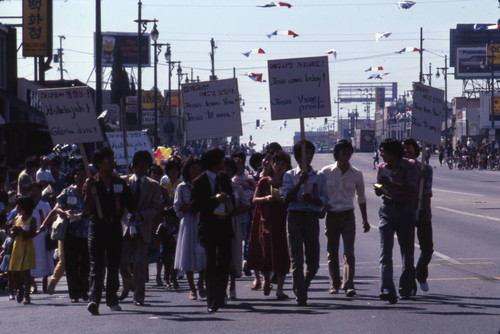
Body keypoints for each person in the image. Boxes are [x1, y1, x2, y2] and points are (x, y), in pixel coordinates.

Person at [84, 147, 135, 315]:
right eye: (108, 160)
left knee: (113, 265)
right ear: (99, 163)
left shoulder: (119, 182)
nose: (112, 162)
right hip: (97, 226)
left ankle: (112, 298)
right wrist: (88, 192)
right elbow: (88, 209)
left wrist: (135, 212)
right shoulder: (92, 183)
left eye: (112, 159)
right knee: (96, 266)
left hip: (114, 227)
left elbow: (130, 204)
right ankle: (94, 299)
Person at [281, 140, 328, 306]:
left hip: (311, 218)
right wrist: (300, 183)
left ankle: (304, 282)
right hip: (294, 217)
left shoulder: (319, 175)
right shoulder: (289, 175)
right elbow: (286, 198)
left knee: (313, 261)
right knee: (297, 259)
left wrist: (314, 200)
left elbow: (324, 198)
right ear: (297, 156)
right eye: (304, 153)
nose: (308, 157)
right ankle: (301, 294)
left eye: (310, 153)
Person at [320, 140, 370, 297]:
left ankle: (349, 284)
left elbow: (361, 198)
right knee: (332, 251)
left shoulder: (357, 174)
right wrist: (321, 208)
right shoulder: (325, 172)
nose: (347, 154)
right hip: (332, 215)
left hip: (348, 215)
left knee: (349, 252)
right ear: (337, 153)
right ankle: (334, 283)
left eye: (349, 151)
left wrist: (365, 220)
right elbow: (320, 195)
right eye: (343, 151)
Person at [374, 138, 418, 304]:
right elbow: (381, 190)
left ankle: (405, 288)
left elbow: (412, 188)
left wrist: (392, 183)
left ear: (392, 153)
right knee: (385, 252)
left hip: (405, 209)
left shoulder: (409, 166)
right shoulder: (381, 167)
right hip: (387, 209)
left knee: (407, 252)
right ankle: (387, 289)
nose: (381, 154)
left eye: (383, 152)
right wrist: (380, 188)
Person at [191, 148, 234, 313]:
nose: (224, 162)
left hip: (224, 225)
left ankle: (220, 295)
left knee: (224, 262)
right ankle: (211, 300)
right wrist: (214, 200)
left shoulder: (224, 179)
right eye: (221, 159)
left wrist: (229, 203)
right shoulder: (199, 181)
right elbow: (196, 205)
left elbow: (232, 200)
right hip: (209, 227)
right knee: (210, 263)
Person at [119, 150, 162, 306]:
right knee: (122, 263)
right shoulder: (124, 182)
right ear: (134, 166)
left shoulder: (153, 185)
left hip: (142, 228)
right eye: (140, 164)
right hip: (126, 228)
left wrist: (142, 215)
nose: (142, 167)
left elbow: (156, 207)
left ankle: (139, 295)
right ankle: (127, 284)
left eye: (146, 164)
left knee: (139, 263)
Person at [252, 150, 291, 300]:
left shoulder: (288, 182)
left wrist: (284, 200)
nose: (280, 167)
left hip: (283, 223)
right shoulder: (264, 182)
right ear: (271, 165)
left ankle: (280, 289)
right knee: (266, 253)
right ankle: (266, 279)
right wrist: (267, 198)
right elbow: (254, 200)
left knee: (282, 256)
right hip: (266, 222)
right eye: (277, 164)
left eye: (283, 164)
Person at [403, 139, 434, 293]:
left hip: (421, 210)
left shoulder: (426, 169)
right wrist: (416, 177)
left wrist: (426, 210)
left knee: (427, 248)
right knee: (407, 249)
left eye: (409, 151)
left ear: (416, 152)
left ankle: (420, 274)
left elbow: (427, 191)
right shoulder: (399, 168)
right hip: (405, 210)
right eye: (404, 151)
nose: (407, 153)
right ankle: (409, 283)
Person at [173, 157, 206, 300]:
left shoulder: (205, 185)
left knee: (204, 253)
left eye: (198, 167)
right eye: (193, 168)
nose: (196, 170)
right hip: (188, 222)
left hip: (203, 222)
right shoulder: (182, 187)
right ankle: (192, 287)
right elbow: (177, 207)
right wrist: (190, 207)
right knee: (188, 255)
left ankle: (200, 283)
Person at [225, 157, 251, 300]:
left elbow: (246, 204)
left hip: (233, 223)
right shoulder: (216, 186)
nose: (227, 172)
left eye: (230, 170)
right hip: (219, 223)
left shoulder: (236, 187)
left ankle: (232, 284)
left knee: (234, 253)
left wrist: (235, 212)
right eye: (225, 169)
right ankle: (221, 286)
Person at [8, 196, 37, 304]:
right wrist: (12, 231)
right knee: (14, 271)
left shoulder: (31, 219)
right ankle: (20, 289)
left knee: (26, 272)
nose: (16, 207)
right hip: (17, 247)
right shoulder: (16, 218)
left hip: (27, 247)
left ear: (24, 207)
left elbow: (33, 234)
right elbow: (12, 235)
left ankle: (27, 295)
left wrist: (21, 230)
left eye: (18, 205)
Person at [30, 183, 54, 294]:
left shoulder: (45, 205)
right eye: (32, 190)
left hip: (43, 235)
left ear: (40, 192)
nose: (34, 193)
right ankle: (33, 285)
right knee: (31, 260)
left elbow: (51, 218)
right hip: (31, 236)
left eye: (36, 191)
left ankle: (45, 281)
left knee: (44, 259)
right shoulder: (28, 205)